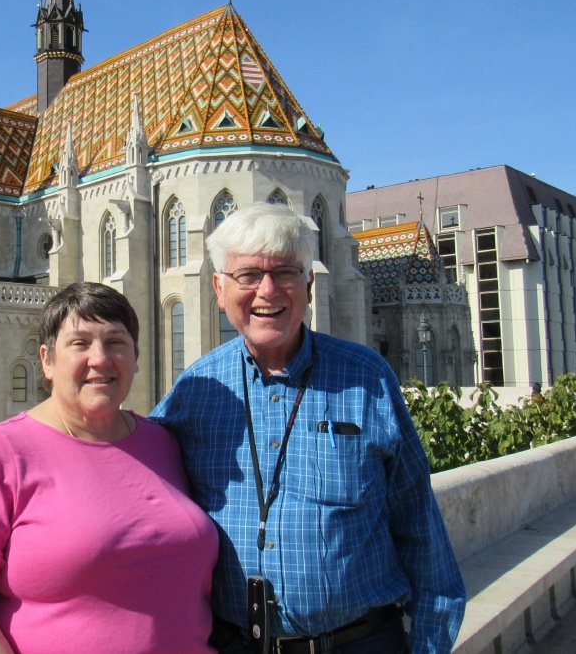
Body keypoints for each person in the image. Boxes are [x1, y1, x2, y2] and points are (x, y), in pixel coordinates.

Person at [151, 203, 466, 654]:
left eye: (285, 272)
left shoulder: (367, 379)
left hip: (360, 643)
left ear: (310, 285)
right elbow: (130, 475)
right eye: (247, 275)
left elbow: (422, 532)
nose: (267, 290)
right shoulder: (195, 392)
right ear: (218, 288)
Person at [0, 282, 218, 653]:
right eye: (80, 343)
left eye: (116, 342)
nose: (100, 358)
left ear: (136, 357)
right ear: (47, 360)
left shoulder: (164, 442)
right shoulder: (2, 450)